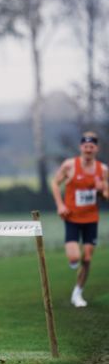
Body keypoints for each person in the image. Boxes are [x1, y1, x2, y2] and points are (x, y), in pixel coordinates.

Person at [51, 132, 108, 308]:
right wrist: (60, 205)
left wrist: (100, 191)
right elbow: (55, 183)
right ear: (81, 147)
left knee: (88, 259)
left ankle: (78, 293)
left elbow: (106, 196)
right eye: (85, 146)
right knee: (75, 257)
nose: (88, 149)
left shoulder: (103, 170)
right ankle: (73, 260)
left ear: (96, 148)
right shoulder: (69, 165)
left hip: (91, 218)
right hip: (72, 217)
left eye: (92, 147)